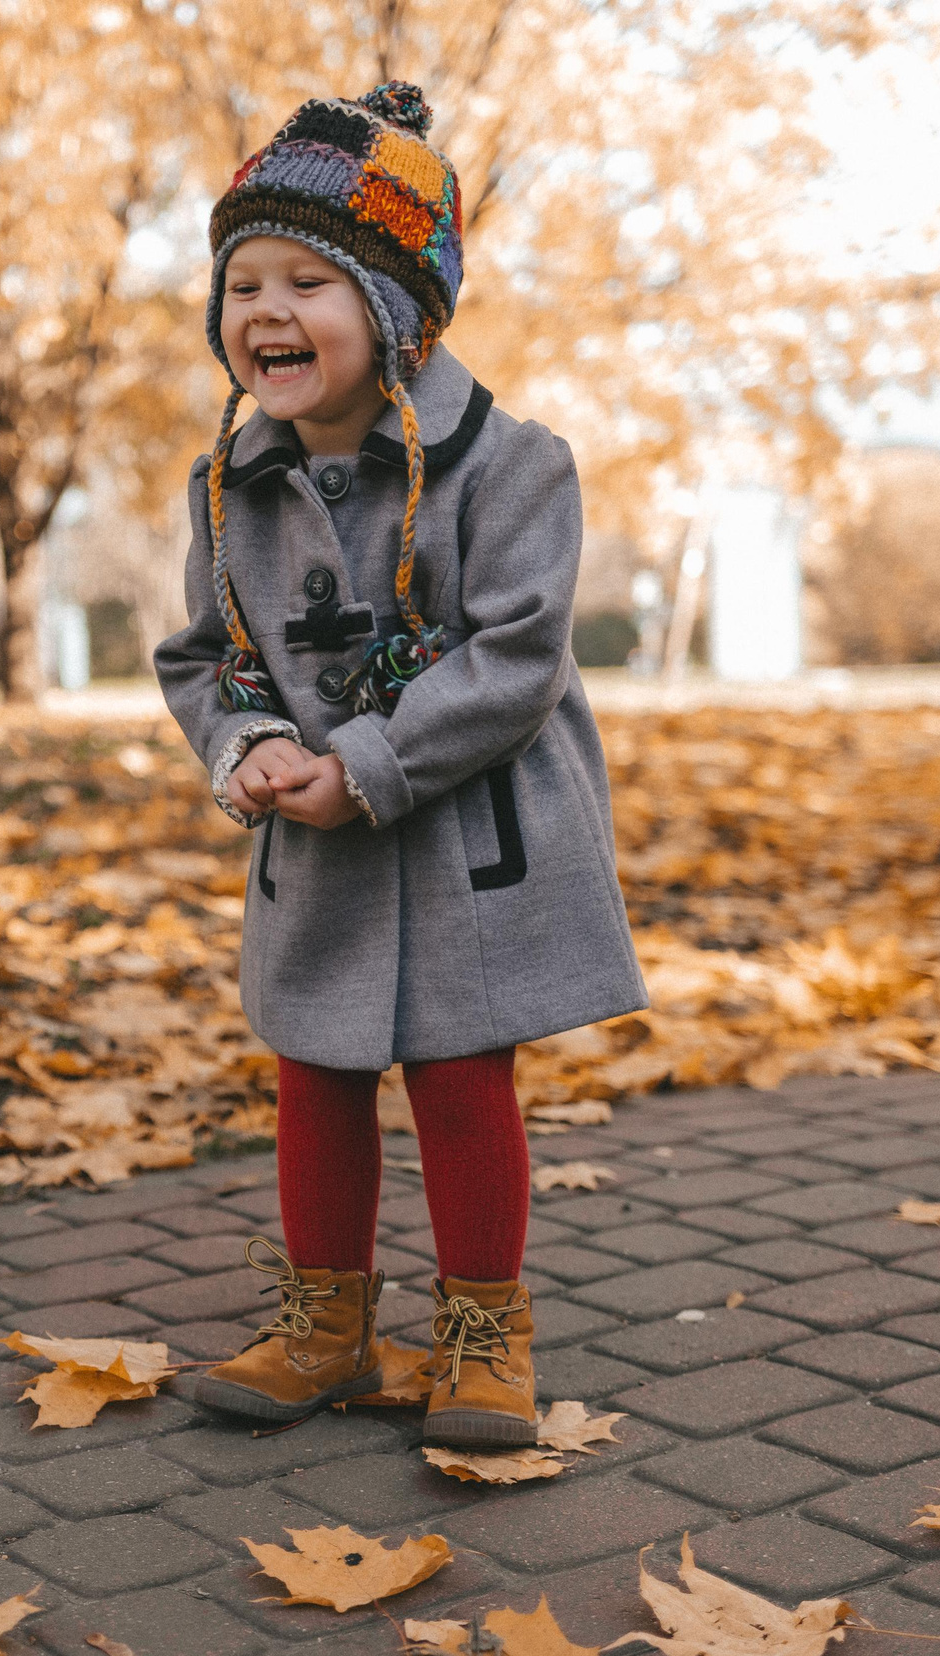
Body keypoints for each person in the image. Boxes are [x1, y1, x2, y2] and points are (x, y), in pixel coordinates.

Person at [153, 81, 646, 1450]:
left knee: (457, 1071)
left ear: (395, 310)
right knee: (313, 1068)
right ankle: (329, 1328)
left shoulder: (513, 466)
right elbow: (208, 655)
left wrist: (365, 757)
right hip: (312, 842)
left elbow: (515, 659)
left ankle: (484, 1329)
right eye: (242, 281)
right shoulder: (228, 489)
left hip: (463, 826)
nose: (264, 309)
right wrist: (246, 744)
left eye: (306, 279)